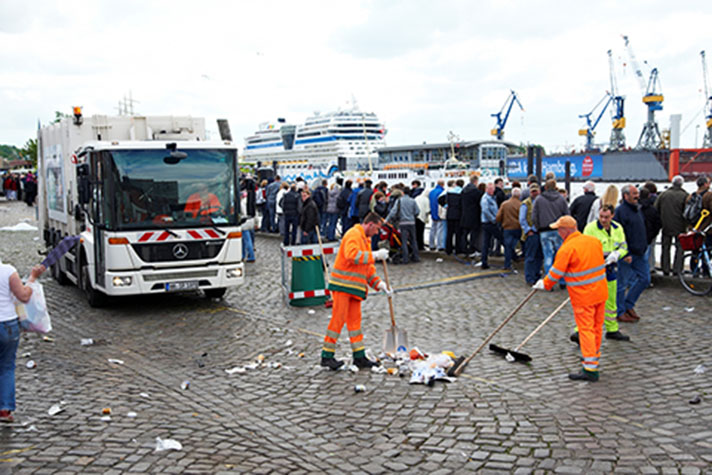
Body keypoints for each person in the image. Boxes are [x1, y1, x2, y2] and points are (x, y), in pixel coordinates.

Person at [533, 216, 607, 382]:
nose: (558, 232)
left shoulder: (567, 249)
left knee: (586, 330)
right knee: (596, 328)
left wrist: (544, 284)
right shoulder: (593, 241)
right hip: (600, 293)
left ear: (567, 230)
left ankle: (590, 368)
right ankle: (593, 360)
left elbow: (556, 273)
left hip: (583, 296)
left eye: (559, 229)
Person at [321, 213, 391, 370]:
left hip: (354, 288)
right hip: (342, 286)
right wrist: (375, 255)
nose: (377, 233)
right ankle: (327, 356)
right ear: (370, 224)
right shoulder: (353, 234)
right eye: (377, 229)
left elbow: (367, 269)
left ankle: (359, 357)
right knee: (337, 321)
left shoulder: (366, 239)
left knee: (355, 323)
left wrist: (379, 284)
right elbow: (352, 255)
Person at [572, 205, 630, 343]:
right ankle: (580, 331)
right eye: (601, 217)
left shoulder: (618, 228)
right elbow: (584, 248)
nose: (603, 220)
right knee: (591, 302)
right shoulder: (590, 228)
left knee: (610, 300)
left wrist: (617, 254)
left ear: (612, 216)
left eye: (606, 217)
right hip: (594, 269)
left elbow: (623, 247)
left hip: (611, 268)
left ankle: (612, 329)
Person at [1, 261, 46, 422]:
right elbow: (24, 296)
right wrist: (32, 278)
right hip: (7, 324)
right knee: (6, 366)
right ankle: (5, 410)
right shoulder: (7, 271)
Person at [615, 185, 649, 322]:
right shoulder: (620, 212)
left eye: (637, 193)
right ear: (625, 196)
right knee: (621, 284)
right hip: (627, 255)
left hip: (640, 252)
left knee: (645, 279)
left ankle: (629, 304)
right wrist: (625, 253)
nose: (637, 196)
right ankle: (620, 311)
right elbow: (618, 235)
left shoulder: (637, 209)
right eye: (634, 194)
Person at [532, 179, 569, 281]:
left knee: (548, 256)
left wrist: (538, 227)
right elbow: (567, 215)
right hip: (559, 230)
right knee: (560, 256)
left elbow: (534, 216)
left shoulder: (539, 199)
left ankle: (549, 280)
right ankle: (562, 280)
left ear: (546, 187)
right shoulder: (561, 199)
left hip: (544, 230)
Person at [654, 175, 688, 275]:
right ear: (681, 184)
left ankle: (665, 269)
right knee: (680, 249)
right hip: (680, 227)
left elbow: (656, 209)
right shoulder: (685, 195)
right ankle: (678, 270)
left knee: (665, 248)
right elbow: (688, 212)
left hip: (666, 226)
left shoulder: (663, 195)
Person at [386, 189, 420, 264]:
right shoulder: (413, 201)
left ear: (403, 193)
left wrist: (386, 220)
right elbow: (417, 211)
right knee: (414, 240)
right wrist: (412, 216)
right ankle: (416, 257)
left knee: (404, 241)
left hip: (403, 223)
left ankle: (405, 259)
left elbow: (393, 212)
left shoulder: (399, 201)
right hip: (412, 222)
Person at [519, 184, 543, 285]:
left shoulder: (542, 202)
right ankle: (529, 278)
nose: (535, 193)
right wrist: (528, 230)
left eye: (536, 191)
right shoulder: (526, 203)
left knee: (539, 256)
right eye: (533, 191)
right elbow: (522, 219)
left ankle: (537, 275)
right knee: (530, 257)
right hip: (531, 233)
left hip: (541, 232)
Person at [496, 187, 522, 271]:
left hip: (507, 227)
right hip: (518, 227)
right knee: (516, 245)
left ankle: (507, 264)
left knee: (508, 246)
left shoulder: (505, 204)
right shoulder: (521, 205)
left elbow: (498, 217)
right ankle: (517, 259)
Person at [439, 179, 464, 255]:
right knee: (458, 233)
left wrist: (446, 205)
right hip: (458, 214)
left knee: (449, 233)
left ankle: (448, 249)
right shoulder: (462, 192)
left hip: (449, 214)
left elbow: (440, 199)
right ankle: (457, 249)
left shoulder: (449, 192)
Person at [460, 174, 482, 257]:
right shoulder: (476, 192)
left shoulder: (464, 191)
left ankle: (464, 249)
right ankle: (472, 249)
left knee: (464, 234)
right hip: (473, 215)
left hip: (464, 214)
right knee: (474, 234)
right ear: (476, 181)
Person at [480, 183, 500, 269]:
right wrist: (493, 219)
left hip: (489, 222)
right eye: (491, 189)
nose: (493, 191)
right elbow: (485, 210)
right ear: (487, 189)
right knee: (501, 238)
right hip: (489, 223)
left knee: (486, 242)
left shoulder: (491, 198)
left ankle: (484, 261)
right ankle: (512, 257)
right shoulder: (485, 199)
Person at [428, 180, 445, 251]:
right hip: (439, 212)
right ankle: (439, 245)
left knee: (432, 229)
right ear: (443, 184)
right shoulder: (441, 192)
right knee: (440, 230)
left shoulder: (431, 192)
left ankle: (431, 244)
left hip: (433, 212)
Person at [413, 185, 429, 251]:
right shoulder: (426, 199)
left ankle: (416, 245)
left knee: (416, 232)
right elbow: (427, 210)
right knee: (421, 232)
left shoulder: (416, 198)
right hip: (422, 217)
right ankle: (421, 246)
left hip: (415, 217)